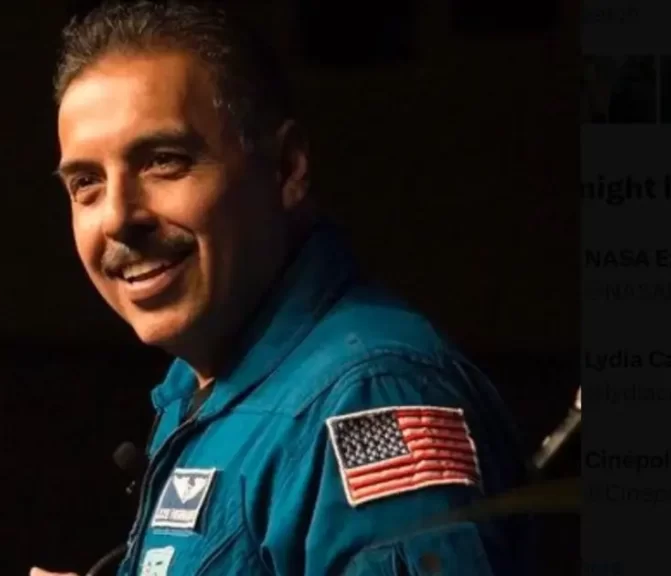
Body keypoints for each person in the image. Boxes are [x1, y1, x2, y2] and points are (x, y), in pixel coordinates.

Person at [34, 1, 532, 574]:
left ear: (286, 168)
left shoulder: (370, 399)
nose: (119, 217)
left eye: (164, 161)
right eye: (87, 183)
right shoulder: (207, 383)